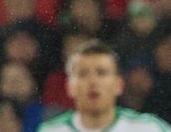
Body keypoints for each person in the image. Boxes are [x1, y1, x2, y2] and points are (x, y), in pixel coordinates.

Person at [38, 40, 171, 131]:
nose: (93, 81)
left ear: (118, 85)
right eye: (83, 74)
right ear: (70, 87)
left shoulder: (148, 128)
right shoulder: (51, 130)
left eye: (101, 73)